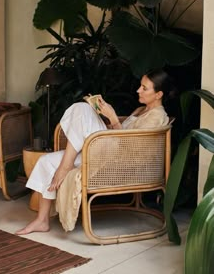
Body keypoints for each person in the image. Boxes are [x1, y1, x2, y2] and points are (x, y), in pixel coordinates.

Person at [15, 68, 176, 235]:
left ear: (159, 94)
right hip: (106, 150)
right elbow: (121, 134)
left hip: (119, 159)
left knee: (81, 109)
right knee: (46, 161)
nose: (138, 90)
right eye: (140, 86)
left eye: (144, 88)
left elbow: (133, 150)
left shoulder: (157, 116)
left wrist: (113, 119)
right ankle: (42, 221)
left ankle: (66, 165)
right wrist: (103, 117)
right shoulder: (141, 110)